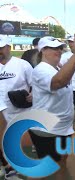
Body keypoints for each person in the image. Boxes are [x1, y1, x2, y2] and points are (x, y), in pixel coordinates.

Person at [29, 34, 75, 179]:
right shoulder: (41, 69)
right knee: (52, 168)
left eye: (60, 48)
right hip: (48, 130)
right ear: (42, 51)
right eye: (53, 48)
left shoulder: (56, 68)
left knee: (61, 161)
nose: (58, 51)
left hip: (62, 128)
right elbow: (58, 83)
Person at [0, 35, 32, 180]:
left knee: (20, 141)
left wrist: (32, 94)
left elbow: (35, 84)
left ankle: (20, 167)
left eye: (1, 48)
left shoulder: (22, 64)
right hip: (1, 112)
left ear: (8, 47)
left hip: (20, 111)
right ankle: (8, 167)